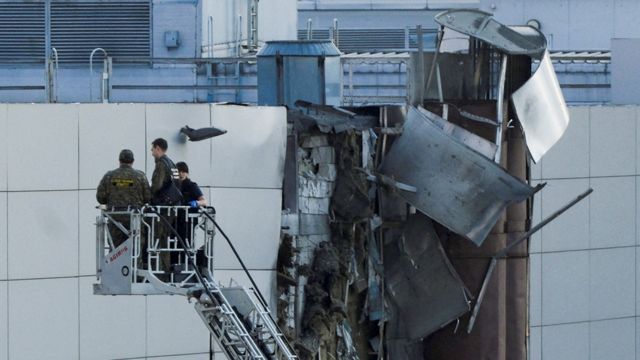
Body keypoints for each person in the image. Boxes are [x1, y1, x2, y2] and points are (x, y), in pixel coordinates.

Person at [96, 149, 152, 248]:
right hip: (134, 219)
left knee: (115, 252)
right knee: (135, 252)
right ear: (133, 161)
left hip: (114, 218)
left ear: (119, 160)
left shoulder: (109, 176)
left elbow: (100, 197)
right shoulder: (140, 176)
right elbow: (148, 197)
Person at [150, 138, 183, 271]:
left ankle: (158, 269)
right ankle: (165, 268)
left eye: (152, 149)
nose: (152, 153)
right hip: (171, 207)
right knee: (164, 239)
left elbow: (156, 186)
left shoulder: (161, 164)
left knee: (157, 239)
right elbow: (177, 184)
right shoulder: (173, 164)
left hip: (162, 209)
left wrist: (149, 196)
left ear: (158, 148)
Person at [174, 161, 208, 266]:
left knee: (186, 246)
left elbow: (204, 201)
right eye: (179, 172)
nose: (181, 174)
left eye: (183, 172)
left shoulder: (191, 186)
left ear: (186, 173)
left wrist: (196, 203)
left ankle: (186, 267)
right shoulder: (173, 185)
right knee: (173, 248)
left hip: (188, 223)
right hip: (174, 221)